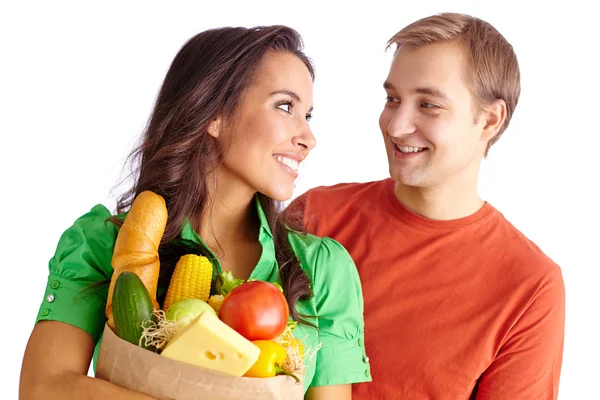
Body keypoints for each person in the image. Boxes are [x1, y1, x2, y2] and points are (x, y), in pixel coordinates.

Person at [19, 25, 371, 400]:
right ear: (214, 114)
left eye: (308, 115)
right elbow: (44, 387)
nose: (308, 138)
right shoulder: (103, 241)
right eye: (285, 106)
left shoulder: (320, 268)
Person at [286, 13, 565, 399]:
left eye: (429, 105)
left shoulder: (530, 286)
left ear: (490, 120)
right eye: (392, 99)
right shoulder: (316, 215)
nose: (397, 126)